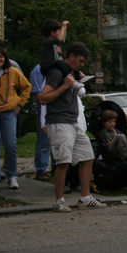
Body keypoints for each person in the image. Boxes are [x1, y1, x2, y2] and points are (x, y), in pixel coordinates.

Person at [38, 43, 106, 211]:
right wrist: (65, 85)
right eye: (80, 61)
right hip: (59, 122)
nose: (81, 65)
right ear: (72, 56)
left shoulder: (71, 73)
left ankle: (85, 198)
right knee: (63, 161)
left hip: (73, 121)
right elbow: (43, 97)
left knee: (87, 157)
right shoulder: (57, 73)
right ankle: (59, 200)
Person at [0, 46, 31, 192]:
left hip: (9, 113)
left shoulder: (13, 72)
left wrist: (20, 104)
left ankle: (11, 175)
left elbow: (26, 87)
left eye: (1, 57)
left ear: (5, 59)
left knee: (10, 144)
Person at [29, 64, 53, 181]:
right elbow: (38, 94)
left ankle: (56, 169)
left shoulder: (59, 69)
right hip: (45, 111)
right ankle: (41, 170)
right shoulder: (38, 71)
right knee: (44, 142)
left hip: (58, 112)